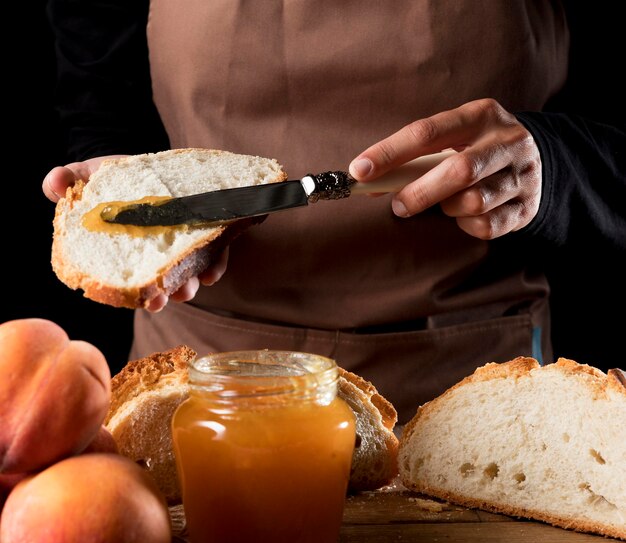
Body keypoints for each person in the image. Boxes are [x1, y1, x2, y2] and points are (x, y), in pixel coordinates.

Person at [43, 1, 625, 423]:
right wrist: (124, 171)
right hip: (200, 389)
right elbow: (100, 74)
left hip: (477, 396)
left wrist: (557, 163)